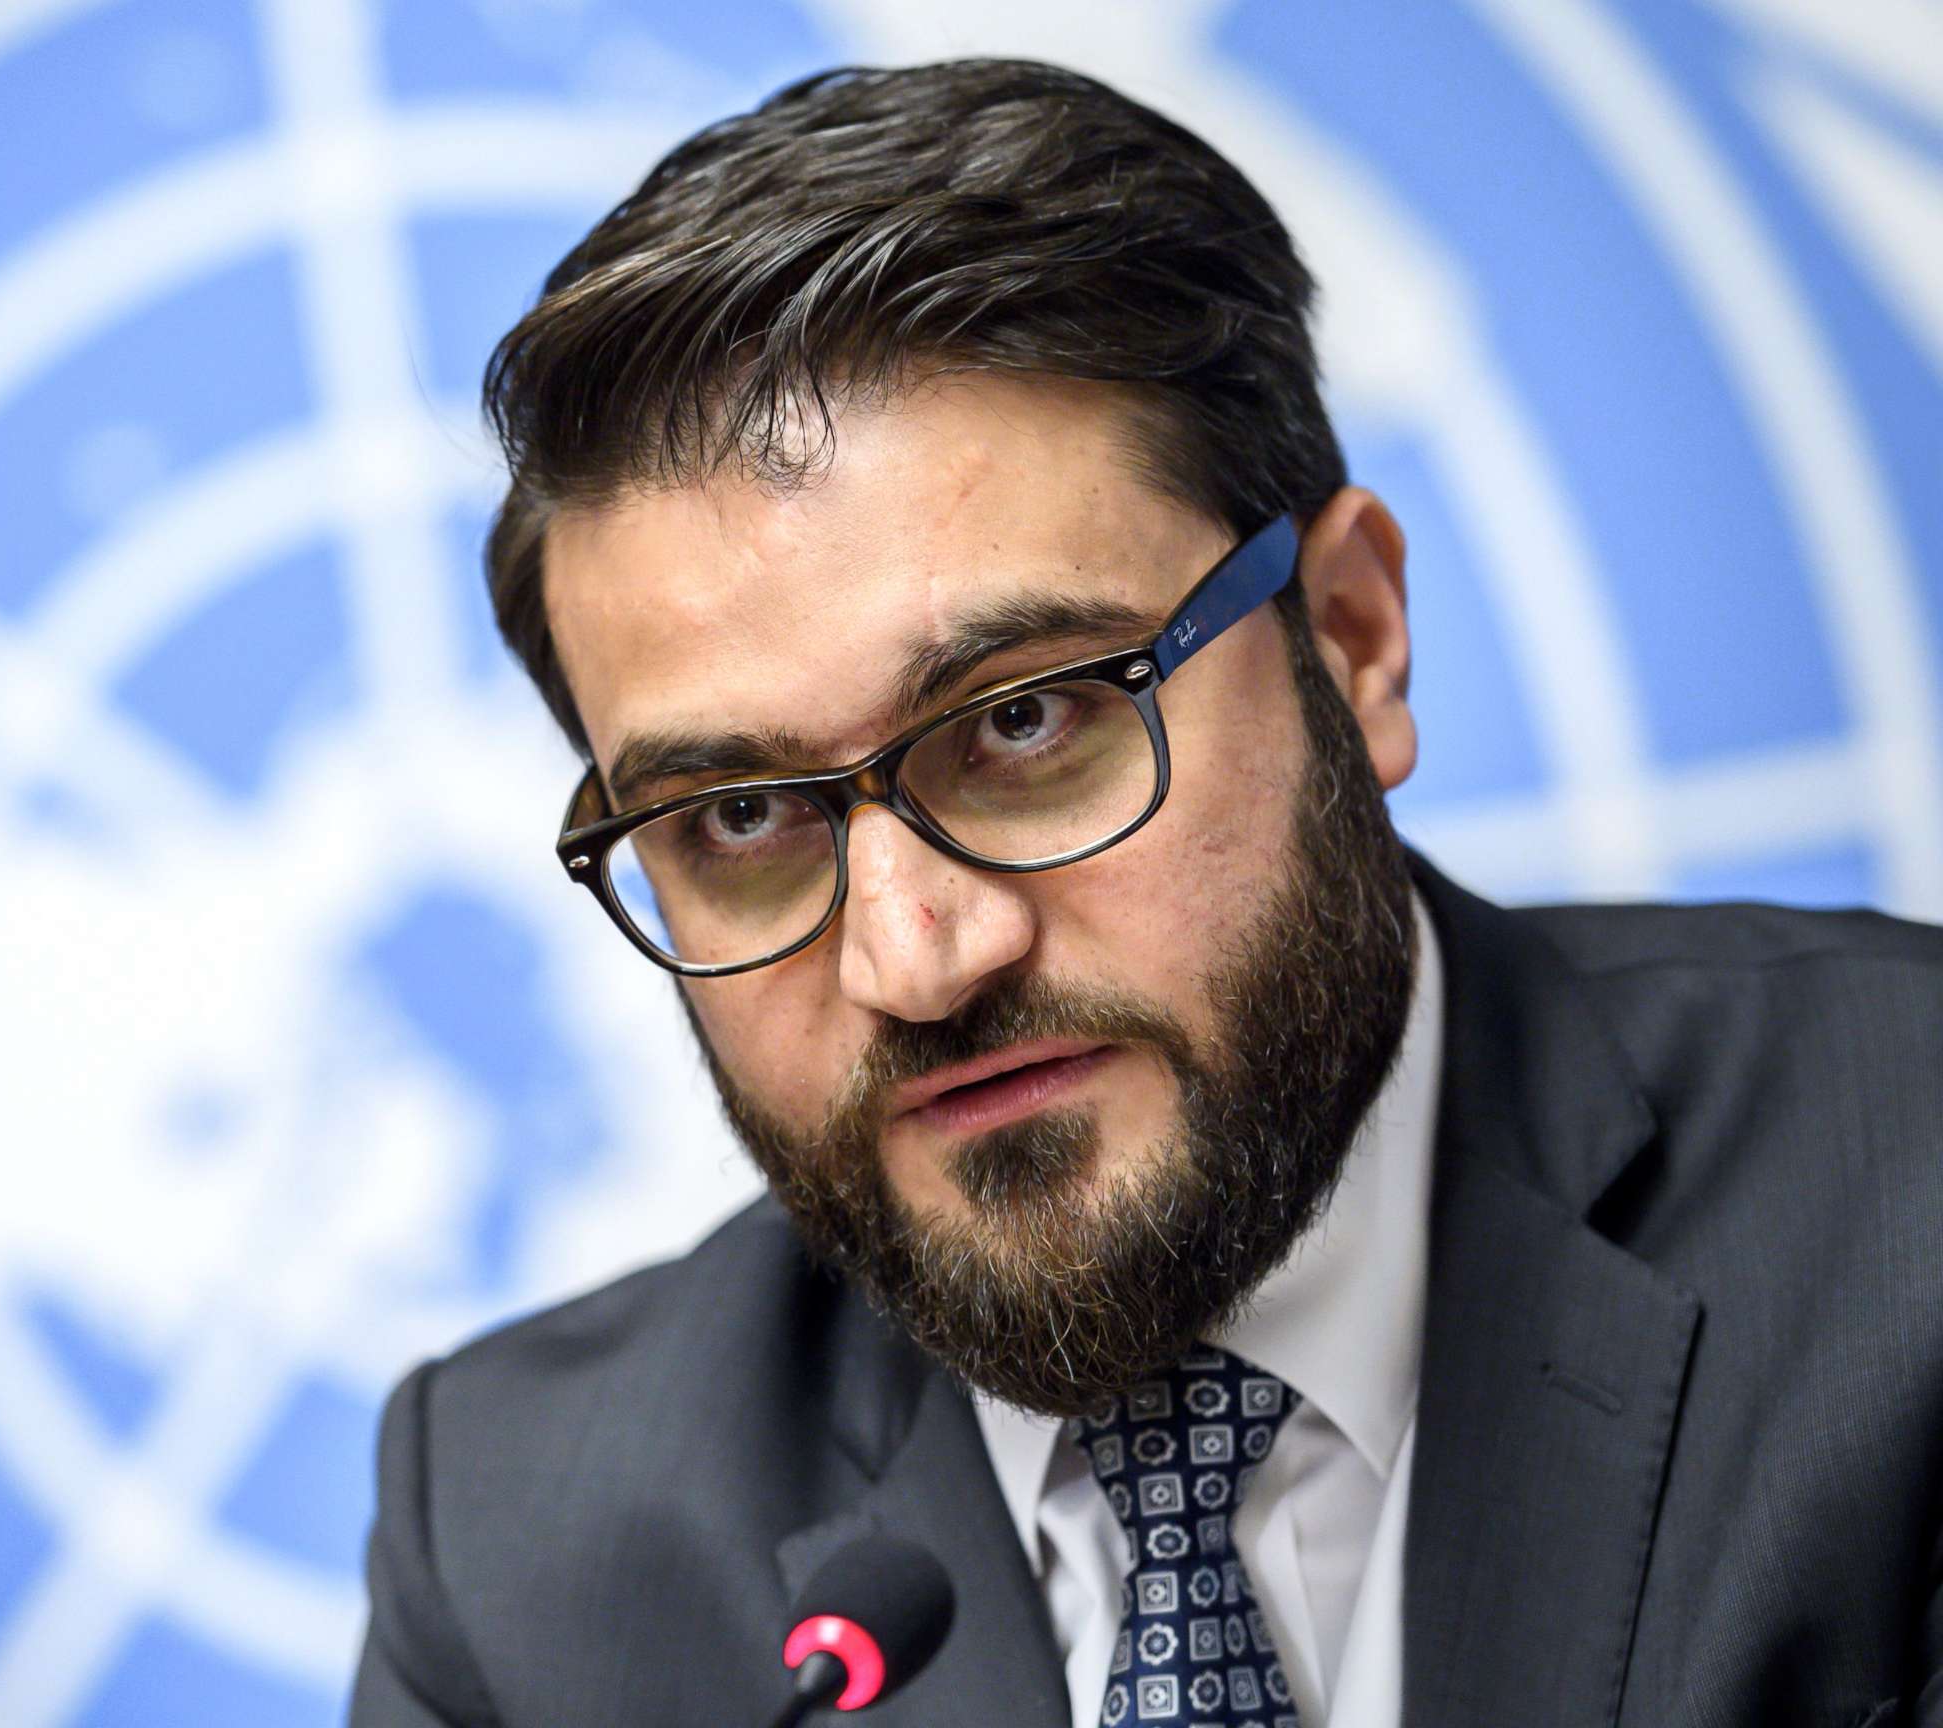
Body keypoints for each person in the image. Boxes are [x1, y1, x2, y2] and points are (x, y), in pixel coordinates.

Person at [349, 59, 1943, 1728]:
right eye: (739, 818)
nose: (913, 956)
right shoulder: (523, 1551)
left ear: (1351, 637)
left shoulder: (1902, 1206)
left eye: (1025, 723)